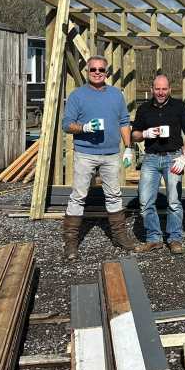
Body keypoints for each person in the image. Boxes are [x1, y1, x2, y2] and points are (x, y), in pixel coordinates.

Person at [61, 54, 142, 261]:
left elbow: (124, 121)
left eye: (101, 70)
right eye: (93, 69)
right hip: (85, 153)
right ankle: (71, 242)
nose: (97, 72)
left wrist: (129, 148)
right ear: (87, 72)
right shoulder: (77, 96)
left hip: (112, 154)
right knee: (78, 196)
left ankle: (119, 236)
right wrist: (84, 128)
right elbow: (67, 124)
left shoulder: (116, 95)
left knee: (114, 195)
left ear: (107, 73)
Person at [132, 72, 185, 253]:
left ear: (169, 89)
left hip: (173, 157)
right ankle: (154, 238)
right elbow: (134, 134)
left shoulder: (179, 106)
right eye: (157, 89)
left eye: (164, 89)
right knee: (144, 201)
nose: (160, 92)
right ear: (152, 89)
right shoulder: (144, 109)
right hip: (150, 158)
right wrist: (145, 134)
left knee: (174, 201)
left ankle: (174, 238)